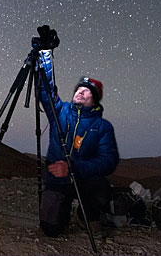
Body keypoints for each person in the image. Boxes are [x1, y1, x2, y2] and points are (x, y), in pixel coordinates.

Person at [37, 50, 120, 238]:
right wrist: (45, 60)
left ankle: (87, 215)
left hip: (83, 179)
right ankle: (63, 211)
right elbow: (46, 91)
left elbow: (109, 161)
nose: (80, 92)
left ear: (95, 99)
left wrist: (74, 167)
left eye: (86, 91)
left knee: (100, 187)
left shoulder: (102, 126)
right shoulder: (60, 111)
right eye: (78, 89)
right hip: (57, 177)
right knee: (51, 230)